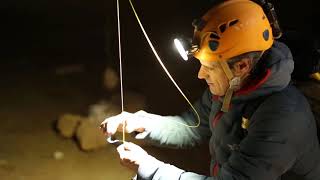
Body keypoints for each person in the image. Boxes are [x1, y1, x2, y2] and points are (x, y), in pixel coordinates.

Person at [100, 0, 320, 179]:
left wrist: (150, 167)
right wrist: (141, 122)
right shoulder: (230, 88)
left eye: (209, 67)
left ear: (242, 66)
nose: (200, 74)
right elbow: (193, 127)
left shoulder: (282, 119)